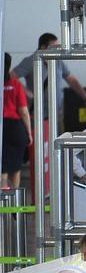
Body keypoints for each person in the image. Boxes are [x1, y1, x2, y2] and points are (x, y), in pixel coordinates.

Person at [2, 53, 32, 189]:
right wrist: (29, 133)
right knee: (15, 167)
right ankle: (15, 206)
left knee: (2, 168)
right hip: (15, 128)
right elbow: (24, 112)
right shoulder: (15, 84)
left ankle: (2, 206)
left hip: (2, 128)